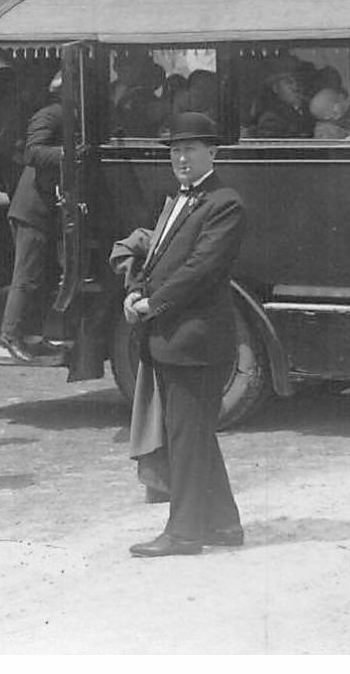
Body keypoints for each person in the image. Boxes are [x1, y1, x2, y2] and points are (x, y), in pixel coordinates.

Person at [112, 112, 246, 557]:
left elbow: (202, 268)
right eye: (175, 150)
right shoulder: (180, 201)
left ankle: (185, 533)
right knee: (194, 434)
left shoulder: (224, 203)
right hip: (173, 337)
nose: (181, 158)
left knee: (187, 437)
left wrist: (154, 303)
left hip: (196, 340)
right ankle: (224, 525)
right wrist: (135, 292)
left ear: (214, 152)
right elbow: (155, 260)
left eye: (190, 149)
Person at [0, 74, 65, 362]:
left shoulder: (64, 115)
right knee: (26, 276)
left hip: (47, 209)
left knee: (45, 277)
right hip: (32, 208)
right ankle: (10, 335)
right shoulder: (51, 114)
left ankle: (35, 337)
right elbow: (33, 152)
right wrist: (69, 154)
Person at [252, 58, 313, 138]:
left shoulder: (310, 110)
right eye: (289, 82)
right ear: (275, 88)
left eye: (299, 81)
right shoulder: (271, 119)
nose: (296, 87)